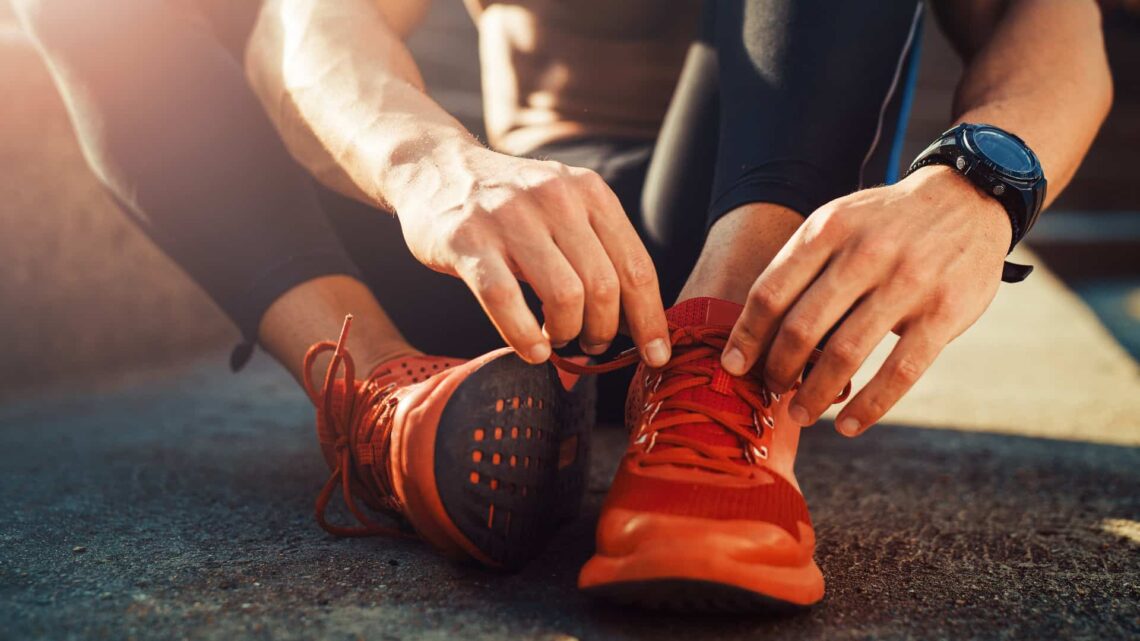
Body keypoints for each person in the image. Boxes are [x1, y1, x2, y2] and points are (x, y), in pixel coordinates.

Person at [14, 0, 1111, 609]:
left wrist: (975, 188)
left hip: (749, 248)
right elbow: (310, 24)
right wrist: (430, 163)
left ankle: (711, 389)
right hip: (516, 291)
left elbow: (1052, 24)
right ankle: (379, 393)